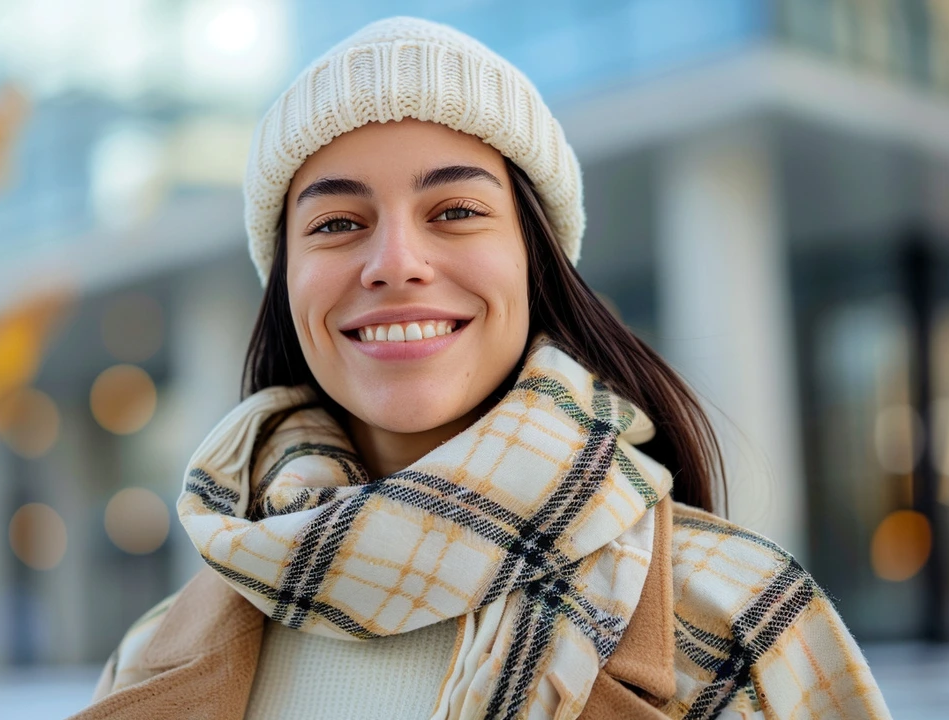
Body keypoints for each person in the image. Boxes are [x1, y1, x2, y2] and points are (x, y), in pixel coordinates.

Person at [73, 17, 892, 720]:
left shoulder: (739, 616)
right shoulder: (153, 656)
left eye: (456, 211)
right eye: (336, 222)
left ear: (534, 262)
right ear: (285, 280)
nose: (395, 262)